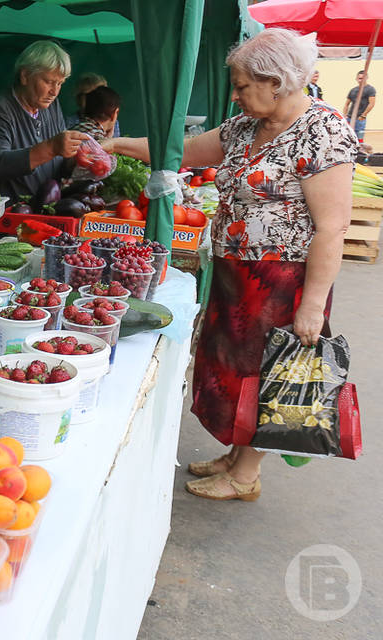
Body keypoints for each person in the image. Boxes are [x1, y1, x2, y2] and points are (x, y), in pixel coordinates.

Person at [104, 28, 357, 501]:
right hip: (236, 276)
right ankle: (237, 455)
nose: (235, 94)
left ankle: (246, 475)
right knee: (232, 368)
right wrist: (120, 146)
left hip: (284, 281)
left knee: (267, 371)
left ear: (277, 81)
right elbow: (182, 152)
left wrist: (313, 307)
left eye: (242, 85)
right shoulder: (245, 127)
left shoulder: (323, 131)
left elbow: (332, 229)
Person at [0, 41, 89, 203]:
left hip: (45, 210)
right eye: (49, 82)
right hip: (11, 216)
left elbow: (60, 162)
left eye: (60, 84)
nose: (55, 92)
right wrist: (51, 148)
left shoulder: (51, 105)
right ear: (25, 76)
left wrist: (78, 160)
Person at [64, 72, 121, 137]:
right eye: (91, 95)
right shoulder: (70, 122)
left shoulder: (112, 122)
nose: (98, 100)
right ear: (79, 98)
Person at [343, 70, 375, 142]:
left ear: (367, 78)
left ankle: (359, 152)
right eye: (359, 78)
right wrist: (345, 115)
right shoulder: (353, 90)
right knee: (348, 138)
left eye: (363, 78)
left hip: (360, 119)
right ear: (356, 79)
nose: (361, 80)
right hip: (350, 118)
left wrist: (363, 115)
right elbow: (346, 104)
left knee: (359, 139)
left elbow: (372, 104)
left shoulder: (370, 89)